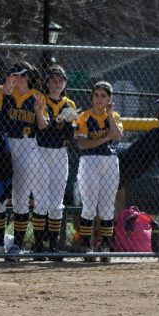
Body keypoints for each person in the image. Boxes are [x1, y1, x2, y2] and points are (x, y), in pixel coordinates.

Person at [0, 62, 48, 256]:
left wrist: (39, 111)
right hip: (5, 145)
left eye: (23, 75)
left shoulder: (36, 96)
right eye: (14, 75)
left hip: (27, 145)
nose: (18, 79)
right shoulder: (1, 93)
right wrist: (5, 93)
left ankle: (17, 244)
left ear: (28, 77)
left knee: (21, 198)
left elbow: (42, 126)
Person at [74, 81, 124, 259]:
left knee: (106, 207)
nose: (99, 99)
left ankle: (105, 246)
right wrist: (105, 138)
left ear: (110, 98)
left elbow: (117, 137)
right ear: (92, 97)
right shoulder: (84, 117)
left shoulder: (115, 116)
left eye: (104, 96)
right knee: (89, 206)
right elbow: (82, 144)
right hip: (89, 161)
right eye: (96, 95)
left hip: (110, 162)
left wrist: (109, 116)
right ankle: (87, 246)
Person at [33, 64, 78, 256]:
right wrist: (56, 121)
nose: (57, 84)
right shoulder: (41, 100)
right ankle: (38, 245)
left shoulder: (69, 104)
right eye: (53, 80)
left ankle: (52, 245)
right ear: (47, 82)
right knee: (41, 200)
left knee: (57, 201)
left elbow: (70, 134)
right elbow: (42, 128)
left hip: (60, 153)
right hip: (41, 151)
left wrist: (62, 123)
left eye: (61, 81)